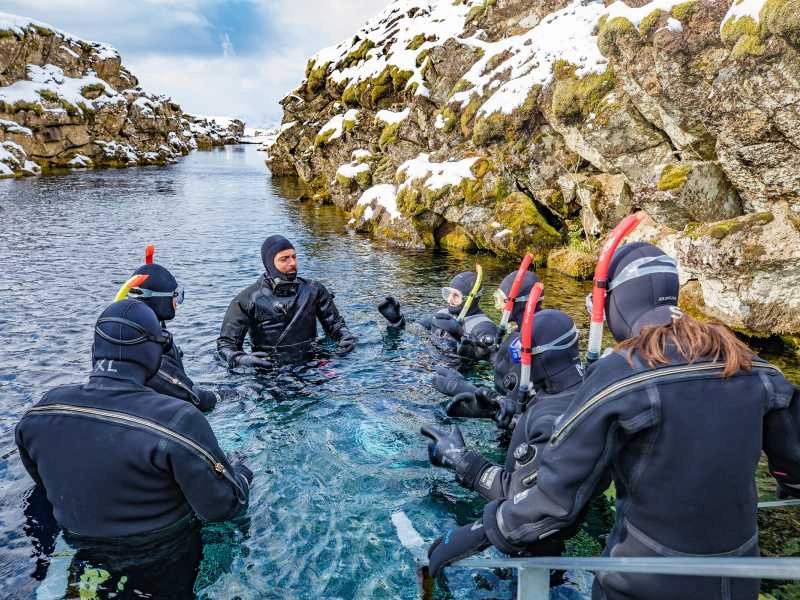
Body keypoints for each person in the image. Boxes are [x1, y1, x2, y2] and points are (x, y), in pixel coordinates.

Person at [425, 242, 800, 600]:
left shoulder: (618, 375)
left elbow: (558, 503)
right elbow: (793, 472)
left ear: (614, 303)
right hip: (739, 577)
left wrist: (482, 530)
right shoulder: (752, 364)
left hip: (642, 581)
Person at [15, 299, 252, 545]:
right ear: (153, 352)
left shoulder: (39, 413)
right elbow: (224, 509)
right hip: (163, 557)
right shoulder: (179, 419)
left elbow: (45, 486)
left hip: (80, 550)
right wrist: (241, 470)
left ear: (95, 349)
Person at [422, 309, 583, 501]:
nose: (518, 363)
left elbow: (522, 497)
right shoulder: (570, 392)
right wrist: (498, 412)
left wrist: (459, 459)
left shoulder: (552, 417)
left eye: (520, 354)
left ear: (542, 355)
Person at [217, 235, 356, 368]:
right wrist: (241, 359)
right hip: (268, 369)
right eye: (284, 259)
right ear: (270, 263)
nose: (293, 263)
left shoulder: (314, 290)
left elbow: (336, 326)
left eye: (294, 257)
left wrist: (346, 337)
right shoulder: (248, 299)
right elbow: (226, 345)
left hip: (313, 363)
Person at [431, 269, 543, 423]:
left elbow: (517, 403)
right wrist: (488, 355)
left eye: (501, 299)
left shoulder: (530, 337)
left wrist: (471, 390)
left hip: (517, 420)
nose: (498, 306)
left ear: (519, 302)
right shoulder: (519, 335)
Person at [120, 246, 220, 412]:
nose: (177, 303)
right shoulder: (150, 347)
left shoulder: (123, 332)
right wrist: (220, 396)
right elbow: (193, 399)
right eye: (176, 296)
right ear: (161, 300)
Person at [378, 271, 498, 362]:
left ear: (470, 299)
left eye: (456, 296)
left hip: (456, 378)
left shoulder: (484, 327)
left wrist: (461, 335)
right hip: (429, 364)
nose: (450, 299)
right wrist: (397, 321)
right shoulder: (444, 314)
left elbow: (490, 358)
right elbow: (417, 329)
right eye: (448, 293)